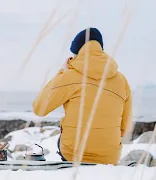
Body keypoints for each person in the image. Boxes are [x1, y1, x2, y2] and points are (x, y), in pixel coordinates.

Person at [32, 28, 132, 165]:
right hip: (109, 157)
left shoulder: (70, 76)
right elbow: (124, 127)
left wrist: (62, 73)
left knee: (62, 140)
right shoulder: (122, 80)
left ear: (77, 52)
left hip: (73, 153)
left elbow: (39, 108)